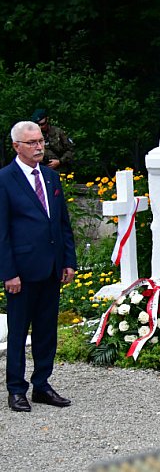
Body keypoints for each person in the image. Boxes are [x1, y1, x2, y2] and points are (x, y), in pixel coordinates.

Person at [0, 121, 77, 412]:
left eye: (41, 141)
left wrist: (68, 261)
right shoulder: (5, 179)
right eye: (31, 142)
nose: (39, 146)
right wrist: (8, 272)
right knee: (19, 331)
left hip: (51, 267)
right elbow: (2, 231)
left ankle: (42, 384)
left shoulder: (50, 177)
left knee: (47, 330)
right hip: (21, 270)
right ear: (17, 146)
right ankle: (16, 389)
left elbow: (61, 223)